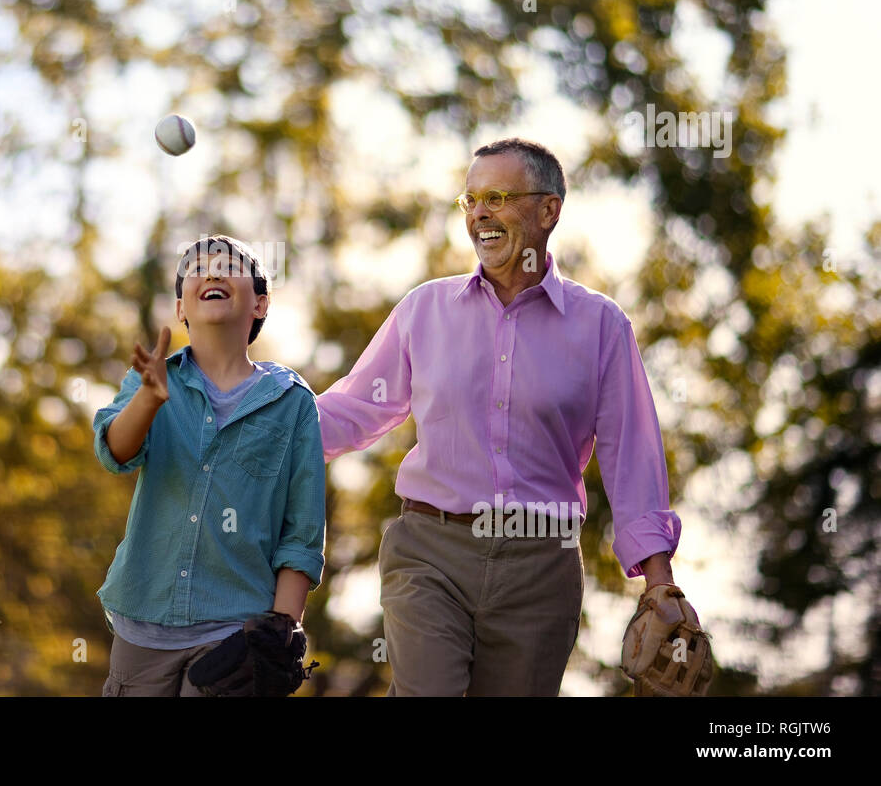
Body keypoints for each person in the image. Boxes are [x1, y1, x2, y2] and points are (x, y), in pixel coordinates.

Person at [316, 137, 686, 696]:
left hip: (540, 567)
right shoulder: (425, 310)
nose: (479, 214)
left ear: (548, 210)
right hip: (431, 551)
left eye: (496, 197)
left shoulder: (601, 326)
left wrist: (659, 580)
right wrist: (252, 423)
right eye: (469, 201)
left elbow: (631, 454)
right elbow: (353, 408)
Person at [93, 234, 326, 696]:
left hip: (233, 638)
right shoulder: (152, 378)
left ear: (259, 304)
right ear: (181, 308)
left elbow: (302, 533)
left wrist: (280, 633)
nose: (212, 273)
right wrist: (149, 397)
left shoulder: (293, 403)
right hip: (141, 626)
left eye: (228, 267)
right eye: (198, 269)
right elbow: (115, 453)